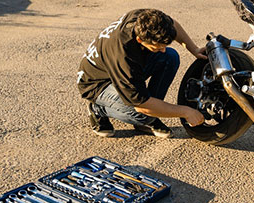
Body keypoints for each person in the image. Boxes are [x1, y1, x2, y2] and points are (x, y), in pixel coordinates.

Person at [77, 9, 206, 139]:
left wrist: (194, 49)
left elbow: (173, 25)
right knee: (142, 113)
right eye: (157, 47)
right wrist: (185, 112)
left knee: (170, 57)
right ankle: (97, 109)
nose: (162, 50)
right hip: (97, 84)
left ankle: (150, 115)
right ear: (139, 40)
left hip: (118, 69)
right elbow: (141, 105)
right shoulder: (124, 56)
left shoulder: (145, 19)